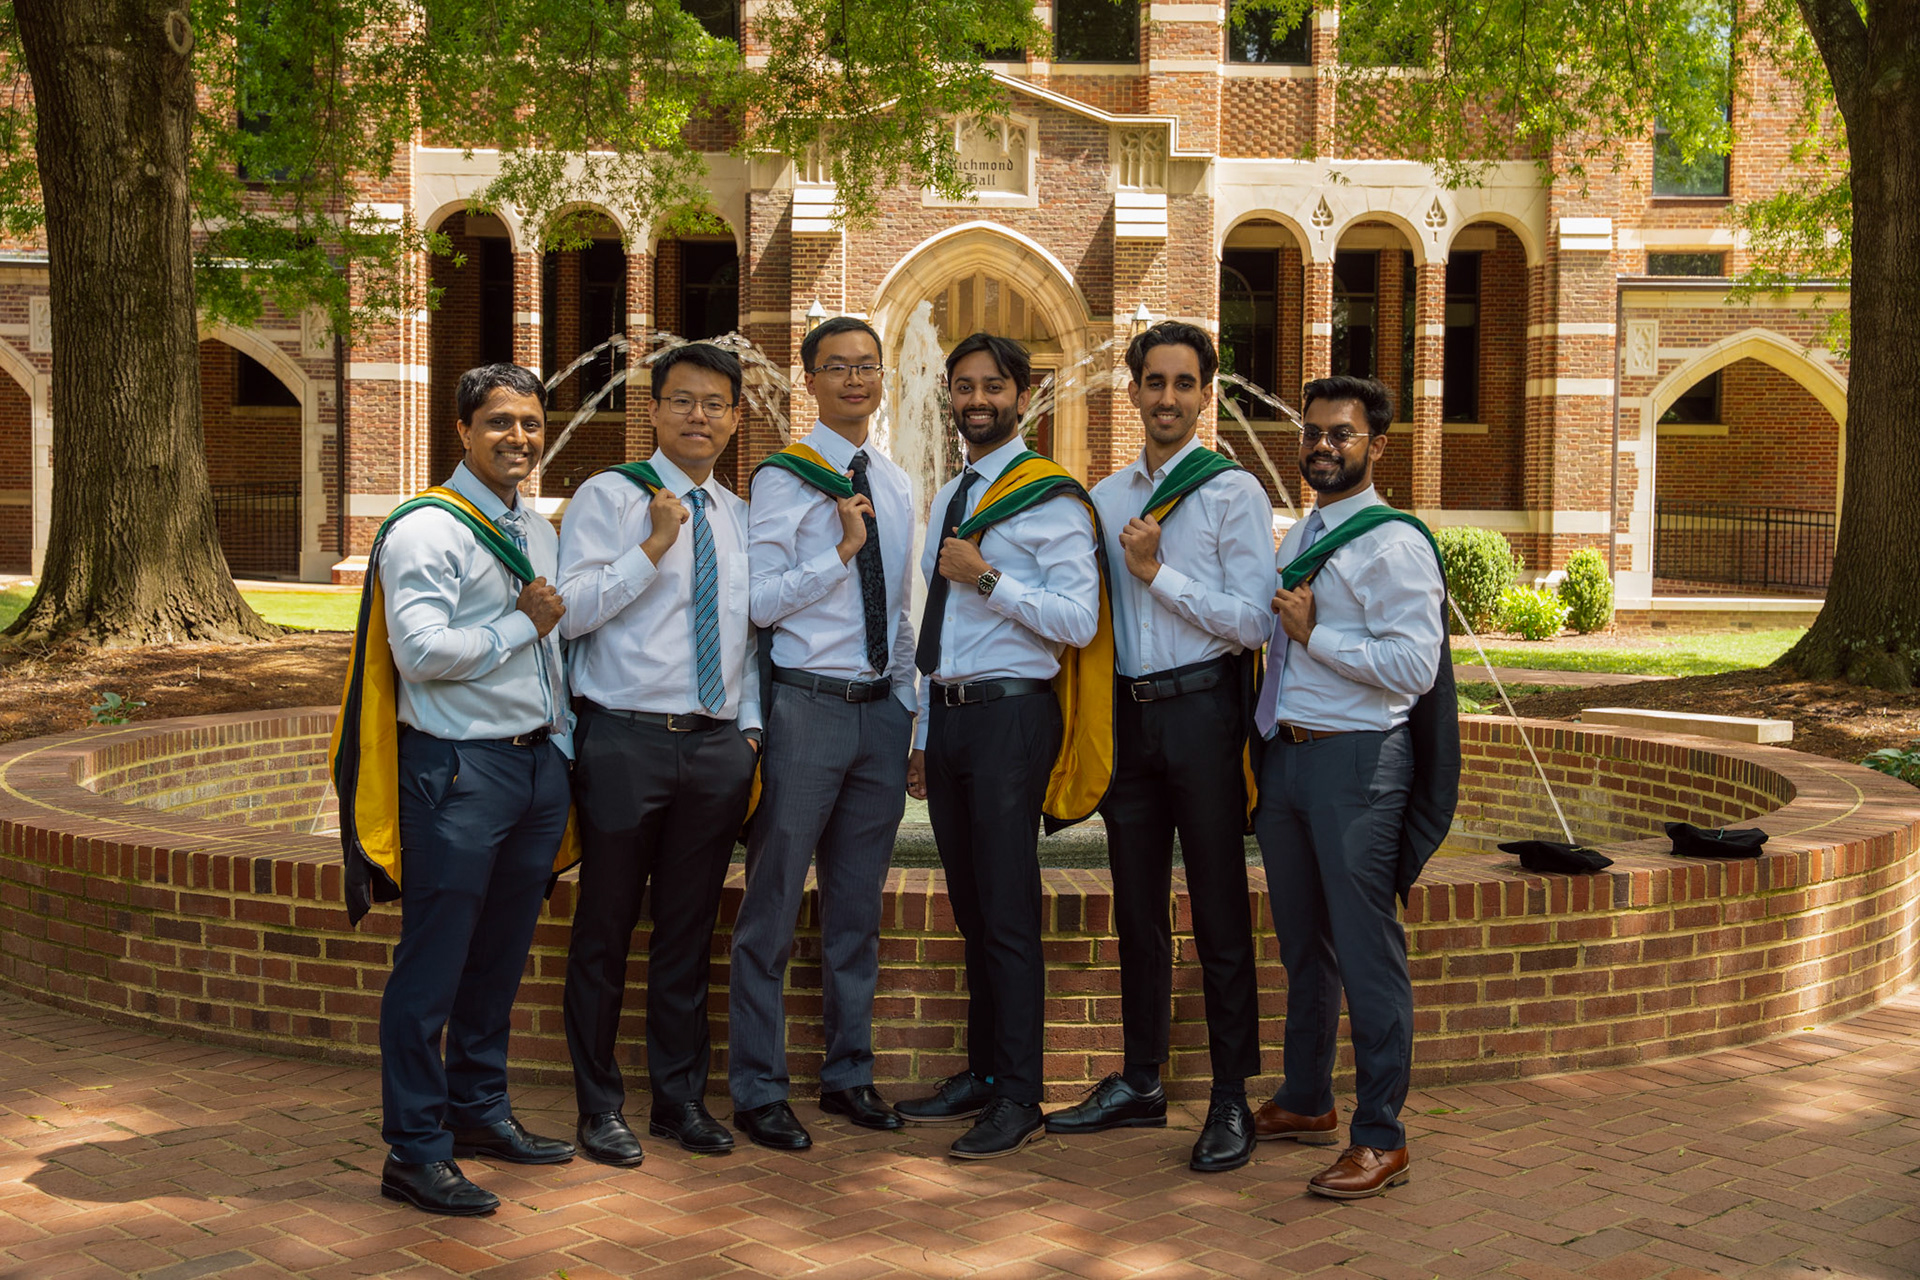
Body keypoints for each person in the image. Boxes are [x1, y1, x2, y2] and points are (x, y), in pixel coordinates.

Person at [331, 362, 576, 1217]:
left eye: (531, 423)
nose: (519, 437)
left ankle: (478, 1112)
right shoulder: (427, 529)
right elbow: (421, 652)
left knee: (499, 959)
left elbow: (553, 649)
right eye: (500, 422)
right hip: (460, 771)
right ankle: (415, 1149)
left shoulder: (534, 527)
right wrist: (521, 624)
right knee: (432, 967)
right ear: (464, 430)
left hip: (536, 767)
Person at [1050, 322, 1270, 1173]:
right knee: (1136, 911)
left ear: (1206, 394)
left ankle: (1230, 1097)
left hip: (1205, 715)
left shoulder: (1233, 493)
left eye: (1184, 383)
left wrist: (1156, 574)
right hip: (1128, 722)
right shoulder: (1105, 500)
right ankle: (1141, 1080)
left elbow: (1253, 621)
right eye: (1154, 382)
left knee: (1218, 910)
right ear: (1134, 390)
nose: (1168, 398)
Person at [895, 331, 1114, 1160]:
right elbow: (937, 629)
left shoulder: (1049, 498)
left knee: (1009, 909)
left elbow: (1077, 619)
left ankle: (1020, 1093)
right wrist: (923, 733)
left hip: (1013, 718)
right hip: (952, 718)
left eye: (993, 386)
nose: (977, 399)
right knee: (972, 906)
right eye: (964, 386)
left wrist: (987, 577)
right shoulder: (952, 495)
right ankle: (983, 1072)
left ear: (1023, 396)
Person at [556, 342, 761, 1167]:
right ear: (652, 410)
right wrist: (651, 547)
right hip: (625, 742)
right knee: (604, 929)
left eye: (715, 404)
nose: (698, 417)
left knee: (686, 933)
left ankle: (679, 1101)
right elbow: (570, 612)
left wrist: (748, 732)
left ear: (736, 418)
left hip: (714, 750)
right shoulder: (609, 497)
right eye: (682, 400)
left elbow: (749, 637)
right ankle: (599, 1106)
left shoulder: (739, 516)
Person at [1250, 374, 1454, 1200]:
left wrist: (1316, 635)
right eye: (1313, 432)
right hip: (1290, 756)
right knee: (1305, 944)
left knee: (1367, 951)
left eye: (1341, 433)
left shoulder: (1393, 544)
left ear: (1377, 446)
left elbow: (1414, 666)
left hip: (1359, 762)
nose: (1323, 446)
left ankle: (1381, 1137)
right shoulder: (1306, 531)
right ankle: (1307, 1097)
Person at [728, 316, 918, 1150]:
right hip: (806, 707)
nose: (854, 379)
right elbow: (759, 602)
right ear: (809, 380)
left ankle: (849, 1075)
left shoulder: (897, 482)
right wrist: (841, 552)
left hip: (881, 713)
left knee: (856, 910)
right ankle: (758, 1088)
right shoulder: (783, 478)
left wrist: (907, 708)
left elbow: (902, 607)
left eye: (867, 366)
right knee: (771, 905)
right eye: (836, 366)